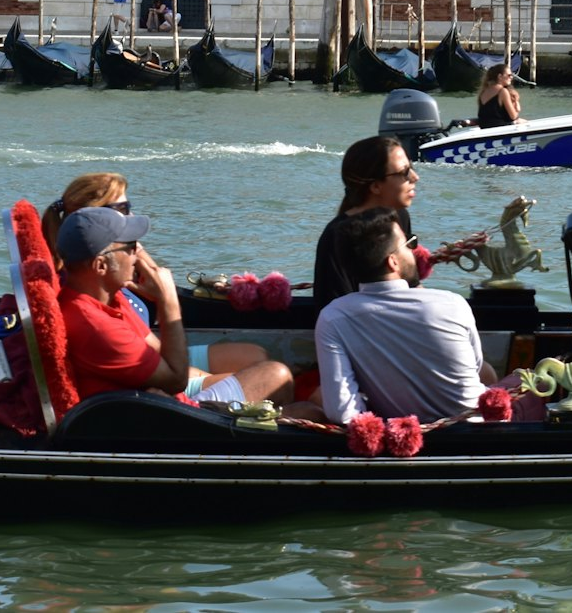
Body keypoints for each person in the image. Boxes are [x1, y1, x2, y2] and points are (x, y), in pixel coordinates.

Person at [43, 173, 273, 385]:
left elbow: (158, 283)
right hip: (147, 370)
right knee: (272, 376)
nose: (131, 216)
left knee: (256, 357)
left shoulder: (115, 281)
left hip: (152, 356)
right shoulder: (94, 287)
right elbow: (173, 377)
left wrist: (130, 245)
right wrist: (167, 300)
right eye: (122, 209)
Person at [56, 206, 294, 406]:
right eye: (130, 247)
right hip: (162, 418)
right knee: (278, 378)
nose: (137, 254)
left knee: (258, 363)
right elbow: (176, 380)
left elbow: (159, 355)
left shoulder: (108, 298)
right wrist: (168, 301)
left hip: (160, 399)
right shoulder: (95, 326)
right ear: (100, 266)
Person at [315, 207, 488, 424]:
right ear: (393, 262)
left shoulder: (333, 318)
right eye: (408, 244)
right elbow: (475, 368)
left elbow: (343, 413)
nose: (414, 251)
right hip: (475, 431)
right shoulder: (453, 303)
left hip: (398, 436)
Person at [313, 136, 418, 310]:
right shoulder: (335, 235)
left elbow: (411, 284)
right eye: (404, 172)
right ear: (375, 186)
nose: (415, 177)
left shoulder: (400, 217)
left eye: (412, 168)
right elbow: (332, 308)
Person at [476, 63, 523, 128]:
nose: (511, 77)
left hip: (485, 128)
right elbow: (513, 116)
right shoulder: (503, 91)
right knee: (522, 122)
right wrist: (516, 102)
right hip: (498, 128)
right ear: (500, 76)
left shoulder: (483, 92)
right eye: (509, 75)